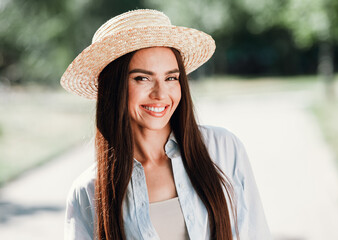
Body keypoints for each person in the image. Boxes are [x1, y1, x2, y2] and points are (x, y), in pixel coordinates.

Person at [61, 9, 271, 240]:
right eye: (142, 78)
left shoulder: (223, 148)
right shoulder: (89, 191)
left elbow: (256, 232)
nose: (161, 94)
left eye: (171, 78)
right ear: (114, 88)